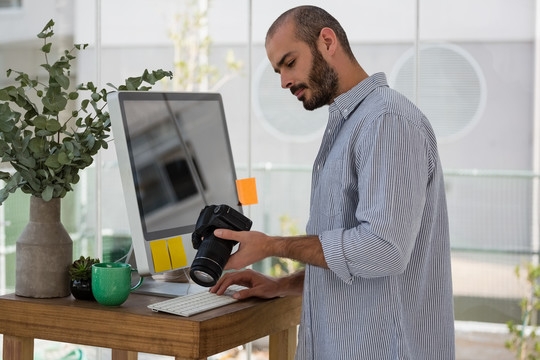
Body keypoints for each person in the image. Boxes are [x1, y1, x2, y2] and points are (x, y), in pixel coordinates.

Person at [210, 5, 455, 360]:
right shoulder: (349, 125)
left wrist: (272, 245)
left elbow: (383, 250)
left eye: (289, 62)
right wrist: (283, 285)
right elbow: (352, 263)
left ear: (327, 41)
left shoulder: (386, 122)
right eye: (278, 70)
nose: (283, 81)